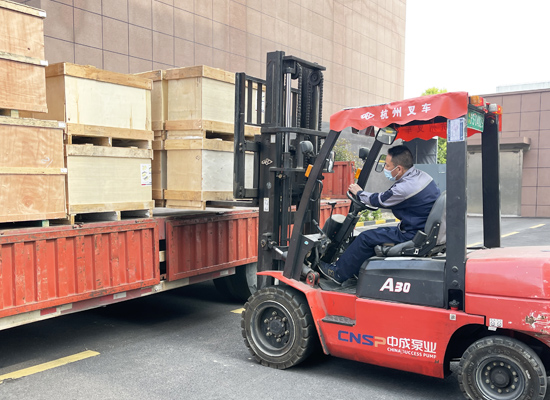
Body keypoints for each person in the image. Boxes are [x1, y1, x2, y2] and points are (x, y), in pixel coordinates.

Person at [319, 145, 440, 284]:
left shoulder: (404, 188)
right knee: (374, 235)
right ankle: (355, 270)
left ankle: (337, 273)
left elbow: (379, 200)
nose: (385, 169)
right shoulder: (422, 176)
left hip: (412, 234)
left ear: (399, 169)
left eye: (387, 166)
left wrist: (359, 193)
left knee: (365, 238)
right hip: (420, 229)